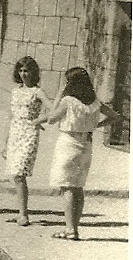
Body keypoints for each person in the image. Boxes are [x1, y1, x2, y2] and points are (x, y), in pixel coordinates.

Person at [33, 67, 120, 241]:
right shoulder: (94, 102)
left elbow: (51, 118)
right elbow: (115, 116)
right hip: (86, 145)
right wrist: (96, 126)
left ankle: (69, 229)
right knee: (78, 187)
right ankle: (75, 228)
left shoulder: (68, 101)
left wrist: (59, 94)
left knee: (67, 187)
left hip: (69, 144)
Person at [3, 56, 52, 227]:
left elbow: (54, 111)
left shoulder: (38, 92)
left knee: (19, 173)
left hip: (29, 134)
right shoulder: (15, 91)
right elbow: (11, 116)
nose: (24, 74)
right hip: (15, 133)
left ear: (34, 73)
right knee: (15, 175)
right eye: (21, 71)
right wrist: (5, 141)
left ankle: (24, 215)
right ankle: (20, 212)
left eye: (27, 71)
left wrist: (39, 121)